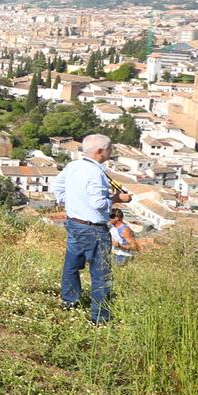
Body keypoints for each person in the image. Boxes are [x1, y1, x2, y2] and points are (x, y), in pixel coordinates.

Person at [54, 133, 131, 324]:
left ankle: (69, 302)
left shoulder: (73, 166)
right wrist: (117, 199)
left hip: (74, 223)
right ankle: (100, 317)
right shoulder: (96, 173)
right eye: (110, 149)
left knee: (71, 266)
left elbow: (58, 187)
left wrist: (72, 203)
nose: (111, 152)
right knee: (101, 274)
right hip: (93, 228)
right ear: (100, 152)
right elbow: (98, 203)